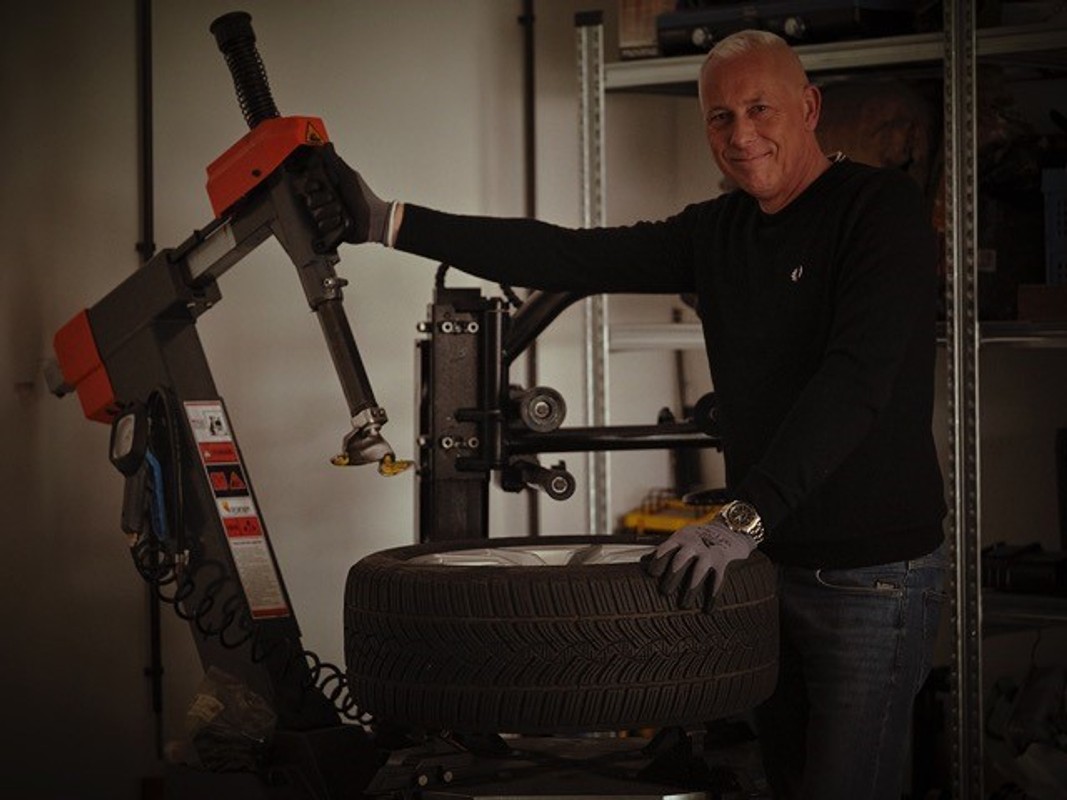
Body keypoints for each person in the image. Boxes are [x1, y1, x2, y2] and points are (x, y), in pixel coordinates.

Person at [305, 28, 948, 800]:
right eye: (719, 117)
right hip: (765, 568)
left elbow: (855, 382)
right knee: (784, 783)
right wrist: (387, 221)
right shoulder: (719, 231)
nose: (741, 135)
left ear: (807, 108)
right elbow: (569, 255)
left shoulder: (877, 210)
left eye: (760, 109)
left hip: (870, 578)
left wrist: (741, 518)